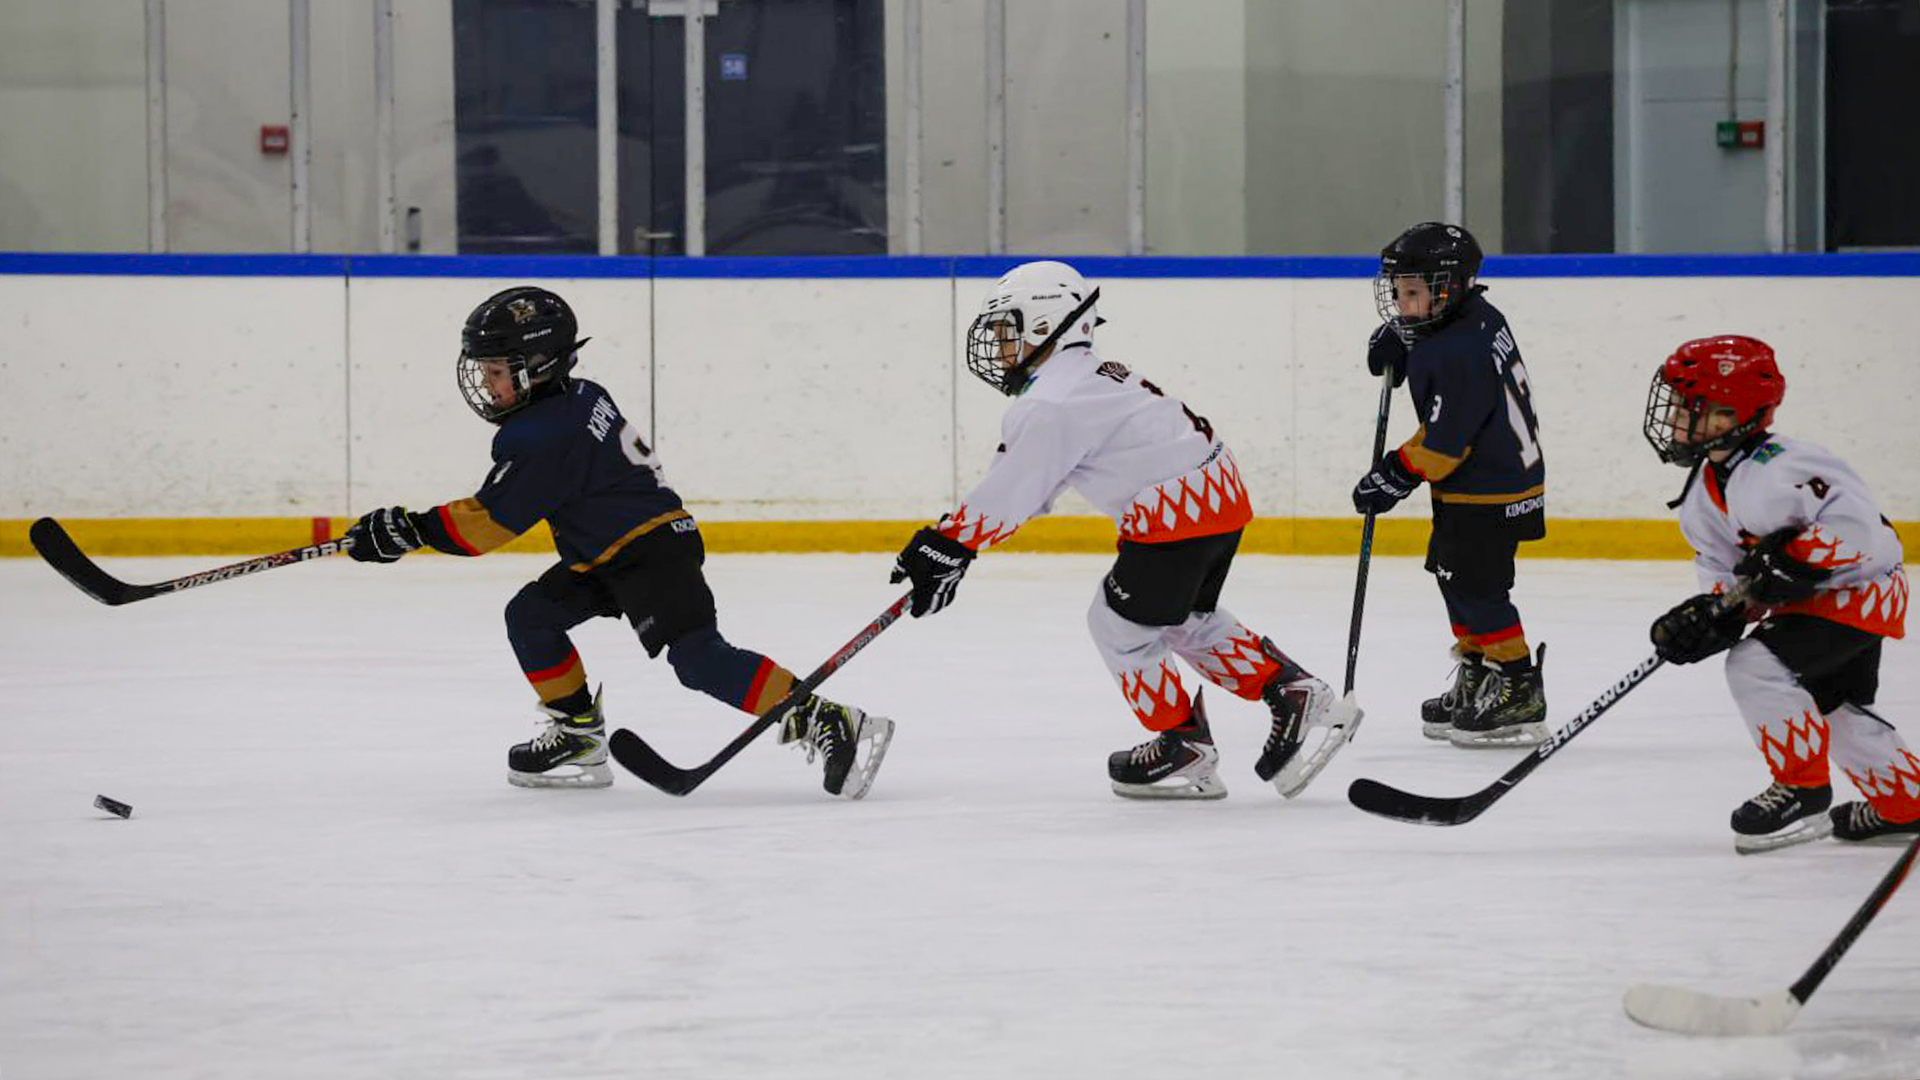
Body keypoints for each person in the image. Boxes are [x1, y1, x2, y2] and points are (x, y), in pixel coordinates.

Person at [343, 286, 893, 797]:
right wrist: (410, 529)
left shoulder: (543, 432)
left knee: (699, 661)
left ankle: (829, 721)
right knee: (532, 616)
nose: (487, 383)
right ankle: (578, 736)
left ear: (538, 366)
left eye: (495, 370)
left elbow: (488, 525)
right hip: (605, 555)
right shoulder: (578, 395)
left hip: (649, 552)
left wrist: (406, 530)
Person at [887, 260, 1359, 800]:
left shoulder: (1051, 402)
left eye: (1007, 329)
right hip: (1218, 498)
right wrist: (951, 542)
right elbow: (1031, 485)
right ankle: (1293, 691)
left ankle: (1184, 745)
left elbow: (1015, 489)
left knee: (1118, 625)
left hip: (1176, 514)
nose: (1000, 345)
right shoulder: (1080, 380)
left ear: (1044, 324)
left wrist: (948, 545)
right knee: (1183, 619)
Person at [1644, 335, 1916, 851]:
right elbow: (1723, 573)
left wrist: (1795, 559)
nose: (1675, 419)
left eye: (1689, 407)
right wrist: (1714, 615)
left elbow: (1864, 535)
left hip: (1864, 590)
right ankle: (1906, 803)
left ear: (1729, 415)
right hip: (1815, 602)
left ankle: (1802, 789)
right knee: (1832, 710)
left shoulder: (1788, 466)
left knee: (1757, 667)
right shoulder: (1703, 491)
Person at [1355, 222, 1548, 748]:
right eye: (1398, 292)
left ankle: (1518, 685)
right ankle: (1480, 671)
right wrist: (1405, 341)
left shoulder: (1455, 350)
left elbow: (1444, 443)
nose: (1402, 304)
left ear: (1451, 288)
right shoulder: (1476, 319)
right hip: (1489, 485)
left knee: (1479, 591)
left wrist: (1393, 474)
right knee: (1454, 579)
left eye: (1414, 294)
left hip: (1487, 491)